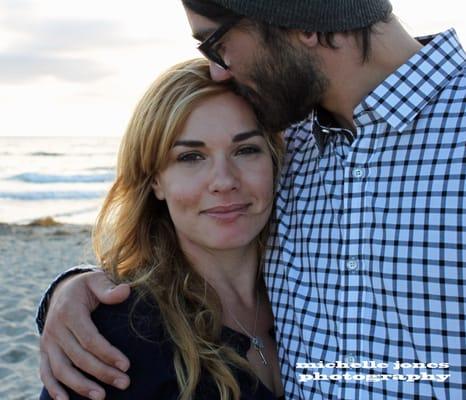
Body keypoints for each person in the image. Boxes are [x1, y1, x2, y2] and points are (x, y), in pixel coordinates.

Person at [38, 1, 466, 399]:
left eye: (218, 43)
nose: (220, 70)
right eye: (191, 157)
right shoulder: (294, 141)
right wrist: (72, 291)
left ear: (303, 20)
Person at [39, 58, 285, 400]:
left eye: (246, 150)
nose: (225, 181)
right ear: (156, 180)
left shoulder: (313, 294)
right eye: (190, 157)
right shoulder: (116, 334)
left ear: (274, 162)